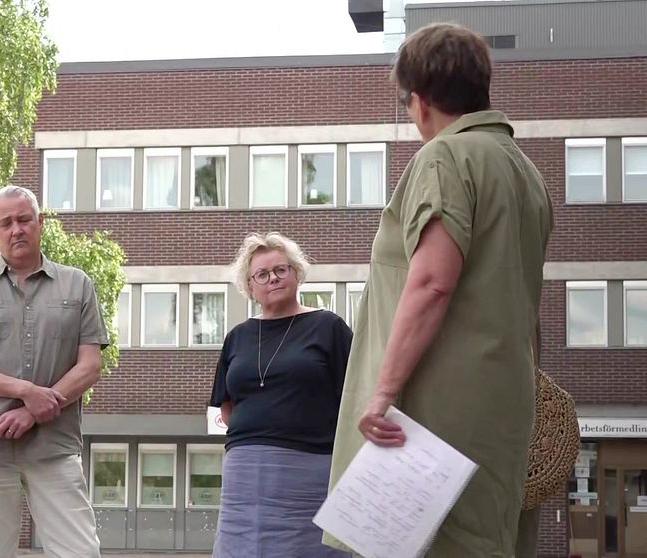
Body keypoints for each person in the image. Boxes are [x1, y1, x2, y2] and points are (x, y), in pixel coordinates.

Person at [325, 23, 553, 557]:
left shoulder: (445, 158)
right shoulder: (524, 171)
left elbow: (430, 282)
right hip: (502, 402)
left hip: (431, 413)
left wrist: (381, 394)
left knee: (422, 546)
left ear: (420, 102)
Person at [0, 185, 107, 558]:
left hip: (54, 444)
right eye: (6, 222)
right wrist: (26, 390)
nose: (17, 229)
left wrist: (33, 410)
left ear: (40, 223)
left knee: (81, 552)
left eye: (24, 219)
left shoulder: (77, 284)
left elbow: (90, 365)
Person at [209, 232, 352, 558]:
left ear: (296, 273)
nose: (272, 278)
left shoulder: (328, 327)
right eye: (262, 274)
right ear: (250, 286)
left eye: (280, 270)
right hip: (243, 473)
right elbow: (227, 404)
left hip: (309, 470)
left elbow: (356, 394)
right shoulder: (238, 337)